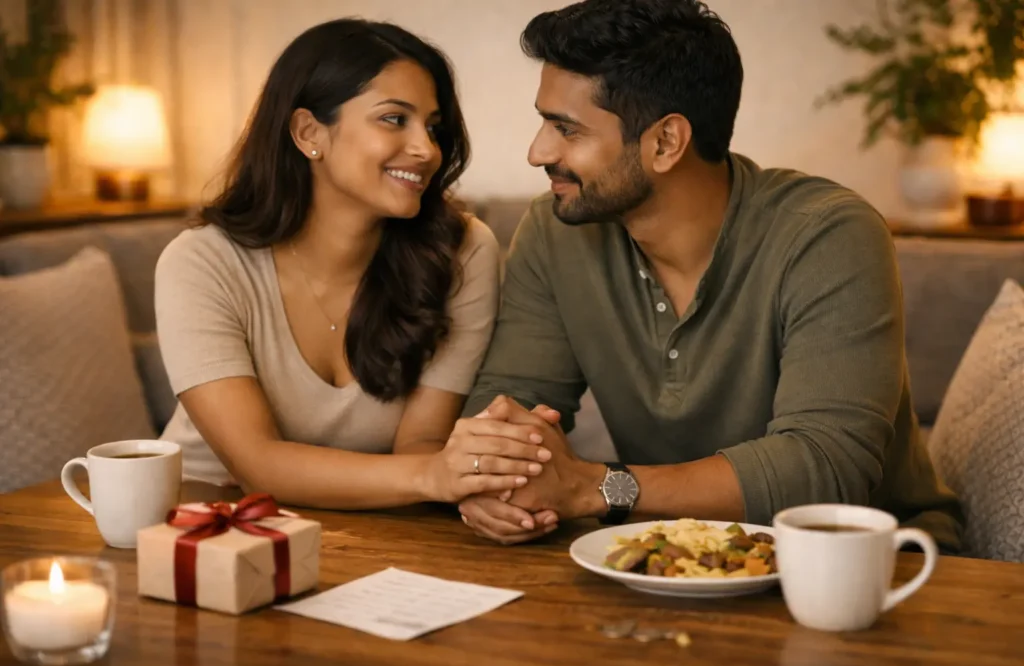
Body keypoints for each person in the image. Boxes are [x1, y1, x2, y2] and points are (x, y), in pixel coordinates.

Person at [457, 0, 963, 551]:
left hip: (868, 569)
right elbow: (508, 403)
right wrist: (493, 478)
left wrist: (597, 487)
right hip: (655, 556)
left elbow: (826, 467)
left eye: (566, 129)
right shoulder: (556, 231)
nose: (538, 152)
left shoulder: (828, 235)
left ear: (666, 142)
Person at [155, 18, 553, 509]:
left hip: (381, 527)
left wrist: (483, 480)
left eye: (433, 127)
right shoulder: (201, 263)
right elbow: (254, 465)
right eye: (393, 119)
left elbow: (422, 444)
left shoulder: (464, 251)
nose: (427, 150)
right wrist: (440, 475)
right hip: (211, 521)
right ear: (308, 132)